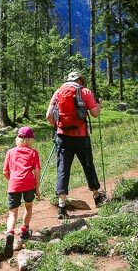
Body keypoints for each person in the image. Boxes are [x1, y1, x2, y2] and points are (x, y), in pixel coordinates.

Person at [47, 70, 103, 219]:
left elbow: (49, 116)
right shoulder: (85, 91)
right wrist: (99, 105)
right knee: (88, 165)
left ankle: (62, 206)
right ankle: (97, 196)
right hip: (81, 136)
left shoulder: (58, 91)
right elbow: (95, 113)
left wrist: (59, 126)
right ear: (80, 80)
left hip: (62, 137)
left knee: (63, 169)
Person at [2, 126, 41, 258]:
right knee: (28, 206)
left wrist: (12, 180)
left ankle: (9, 232)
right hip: (29, 184)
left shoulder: (10, 152)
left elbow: (5, 172)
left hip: (14, 185)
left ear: (18, 138)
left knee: (12, 213)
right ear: (30, 140)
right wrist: (37, 188)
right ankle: (24, 230)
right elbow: (37, 172)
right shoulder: (33, 153)